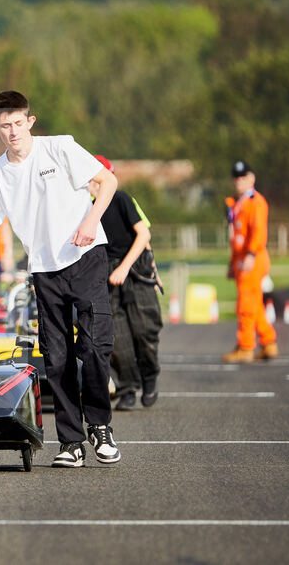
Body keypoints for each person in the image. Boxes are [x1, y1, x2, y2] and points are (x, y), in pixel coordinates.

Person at [0, 90, 120, 468]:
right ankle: (71, 442)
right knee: (58, 356)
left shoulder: (59, 148)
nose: (13, 132)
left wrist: (91, 219)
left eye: (19, 123)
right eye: (5, 126)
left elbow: (108, 181)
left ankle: (99, 424)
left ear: (30, 121)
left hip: (86, 256)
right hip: (44, 270)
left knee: (95, 347)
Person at [90, 155, 162, 411]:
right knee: (117, 337)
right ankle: (128, 387)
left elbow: (144, 234)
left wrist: (135, 269)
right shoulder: (84, 207)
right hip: (106, 273)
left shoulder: (121, 199)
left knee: (145, 329)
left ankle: (149, 376)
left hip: (134, 267)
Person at [223, 160, 278, 362]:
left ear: (251, 178)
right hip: (241, 258)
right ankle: (268, 341)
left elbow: (258, 232)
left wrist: (251, 255)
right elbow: (235, 237)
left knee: (245, 305)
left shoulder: (256, 202)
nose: (239, 181)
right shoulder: (237, 203)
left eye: (243, 176)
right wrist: (232, 262)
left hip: (252, 259)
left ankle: (246, 347)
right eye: (236, 177)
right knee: (255, 305)